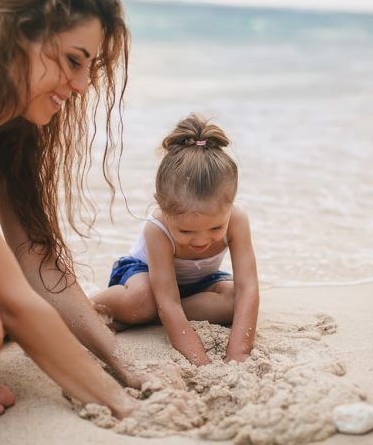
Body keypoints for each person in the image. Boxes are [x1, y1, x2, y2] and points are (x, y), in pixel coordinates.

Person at [0, 0, 173, 420]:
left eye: (89, 67)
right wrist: (121, 405)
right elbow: (14, 301)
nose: (83, 84)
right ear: (12, 34)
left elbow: (35, 261)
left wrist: (127, 366)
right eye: (72, 61)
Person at [92, 114, 260, 365]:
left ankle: (152, 316)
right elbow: (168, 301)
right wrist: (199, 360)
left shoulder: (237, 220)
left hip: (196, 285)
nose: (201, 240)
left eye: (215, 227)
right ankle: (91, 306)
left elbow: (249, 289)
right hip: (144, 277)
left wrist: (239, 354)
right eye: (186, 232)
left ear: (231, 206)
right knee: (144, 301)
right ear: (162, 208)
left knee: (234, 300)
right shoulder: (157, 229)